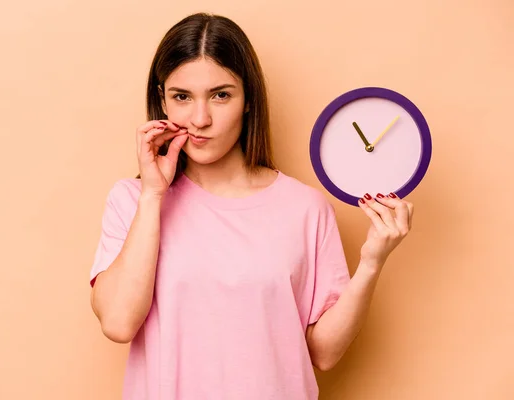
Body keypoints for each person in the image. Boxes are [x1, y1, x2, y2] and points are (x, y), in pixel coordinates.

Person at [89, 12, 414, 400]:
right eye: (181, 97)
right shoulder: (133, 201)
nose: (200, 119)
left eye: (221, 95)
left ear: (247, 101)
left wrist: (372, 262)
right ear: (162, 100)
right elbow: (118, 323)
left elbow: (323, 354)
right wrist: (154, 195)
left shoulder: (305, 208)